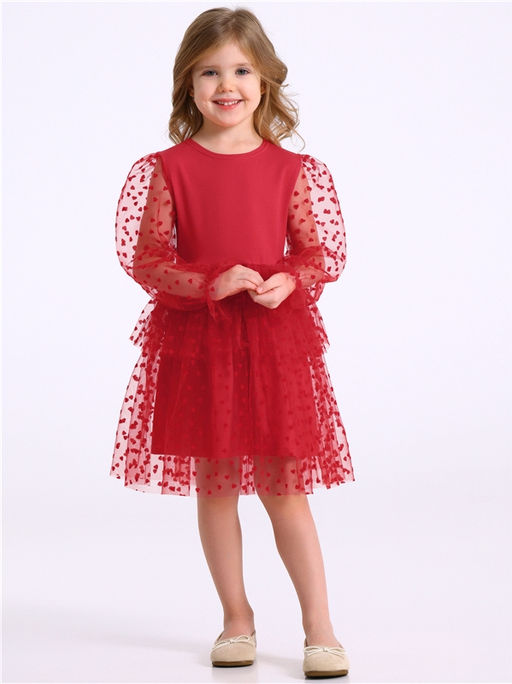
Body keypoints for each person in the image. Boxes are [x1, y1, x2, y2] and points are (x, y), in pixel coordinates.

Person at [110, 6, 355, 678]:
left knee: (285, 489)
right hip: (202, 343)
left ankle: (319, 626)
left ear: (265, 80)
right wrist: (208, 283)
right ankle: (236, 618)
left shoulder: (291, 169)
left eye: (242, 70)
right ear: (187, 85)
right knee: (215, 488)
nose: (227, 85)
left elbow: (319, 253)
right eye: (210, 72)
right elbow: (147, 258)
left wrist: (291, 280)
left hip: (275, 343)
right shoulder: (169, 169)